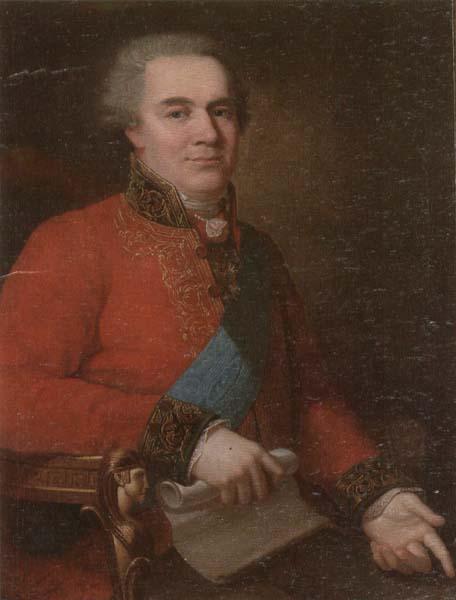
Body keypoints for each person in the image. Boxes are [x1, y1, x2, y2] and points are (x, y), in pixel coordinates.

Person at [0, 33, 454, 599]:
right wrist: (191, 438)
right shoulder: (72, 242)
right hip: (131, 553)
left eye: (222, 112)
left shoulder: (258, 253)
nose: (207, 134)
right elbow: (11, 396)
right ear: (133, 131)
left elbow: (310, 400)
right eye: (177, 112)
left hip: (273, 532)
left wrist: (380, 500)